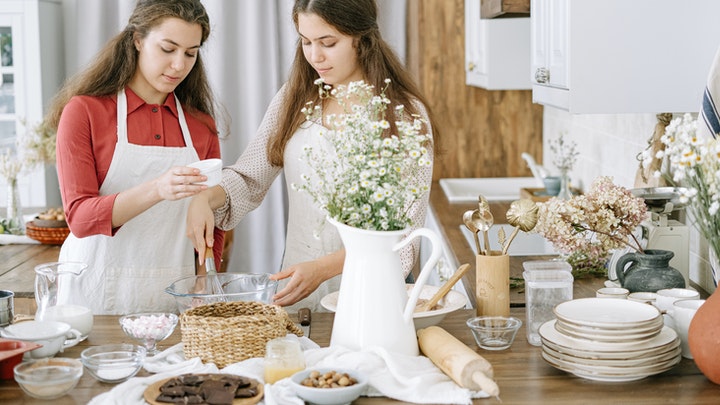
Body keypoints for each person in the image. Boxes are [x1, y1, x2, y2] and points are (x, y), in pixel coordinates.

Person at [186, 0, 440, 313]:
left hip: (372, 296)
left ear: (362, 38)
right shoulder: (295, 97)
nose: (315, 57)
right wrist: (207, 198)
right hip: (298, 293)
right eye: (306, 42)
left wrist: (322, 269)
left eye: (328, 43)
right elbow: (250, 177)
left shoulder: (405, 115)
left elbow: (403, 239)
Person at [45, 0, 225, 315]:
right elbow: (81, 218)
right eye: (168, 49)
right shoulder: (85, 112)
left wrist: (203, 281)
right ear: (137, 40)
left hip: (174, 297)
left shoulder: (201, 125)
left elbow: (213, 215)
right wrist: (158, 189)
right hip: (94, 297)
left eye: (190, 53)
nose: (179, 65)